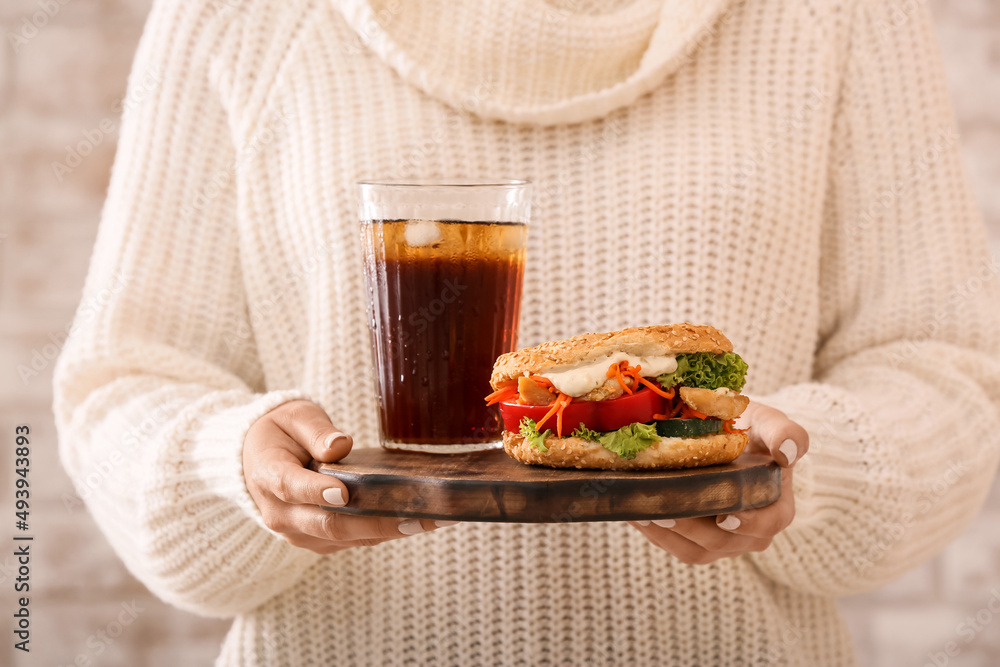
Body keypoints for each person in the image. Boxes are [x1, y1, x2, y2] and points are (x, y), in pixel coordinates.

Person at [53, 0, 1000, 664]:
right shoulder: (242, 15)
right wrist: (237, 466)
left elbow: (944, 371)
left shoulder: (842, 14)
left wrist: (794, 467)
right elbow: (126, 383)